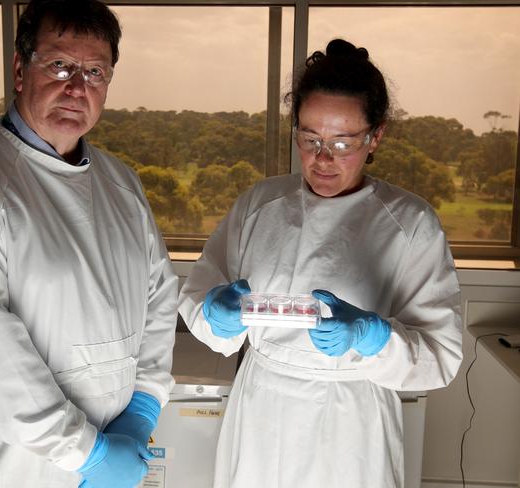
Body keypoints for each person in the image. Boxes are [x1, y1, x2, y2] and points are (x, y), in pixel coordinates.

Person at [0, 0, 178, 486]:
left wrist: (144, 408)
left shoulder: (122, 185)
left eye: (95, 72)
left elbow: (157, 299)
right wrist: (86, 454)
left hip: (116, 448)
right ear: (19, 69)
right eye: (59, 65)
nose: (77, 88)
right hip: (10, 464)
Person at [178, 38, 463, 488]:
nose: (322, 158)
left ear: (376, 136)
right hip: (261, 410)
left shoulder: (410, 223)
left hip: (354, 419)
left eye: (342, 142)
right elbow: (198, 295)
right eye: (309, 138)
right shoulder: (261, 204)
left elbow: (442, 358)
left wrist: (376, 339)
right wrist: (215, 316)